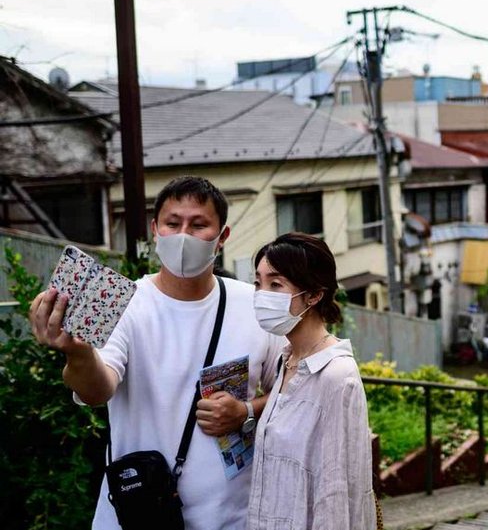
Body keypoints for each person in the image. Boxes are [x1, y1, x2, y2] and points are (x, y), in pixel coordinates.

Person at [28, 176, 286, 530]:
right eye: (172, 223)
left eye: (198, 225)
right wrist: (78, 352)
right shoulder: (124, 303)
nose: (183, 235)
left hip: (233, 516)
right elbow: (95, 390)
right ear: (155, 230)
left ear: (222, 236)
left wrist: (246, 411)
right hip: (137, 515)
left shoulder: (251, 305)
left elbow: (294, 389)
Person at [247, 233, 376, 529]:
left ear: (314, 294)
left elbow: (336, 493)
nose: (261, 294)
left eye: (275, 284)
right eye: (258, 283)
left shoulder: (336, 375)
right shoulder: (288, 360)